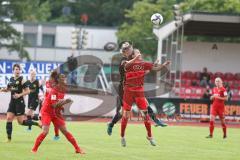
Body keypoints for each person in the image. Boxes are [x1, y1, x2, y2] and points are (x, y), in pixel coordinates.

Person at [107, 42, 167, 136]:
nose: (130, 50)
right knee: (122, 112)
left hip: (135, 88)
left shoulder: (134, 59)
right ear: (125, 52)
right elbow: (129, 67)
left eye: (130, 48)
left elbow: (142, 70)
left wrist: (152, 66)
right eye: (128, 49)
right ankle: (111, 124)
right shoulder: (124, 60)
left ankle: (156, 121)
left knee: (145, 105)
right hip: (124, 88)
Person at [120, 49, 170, 147]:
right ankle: (122, 136)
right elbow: (125, 66)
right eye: (137, 52)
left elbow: (155, 69)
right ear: (133, 55)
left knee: (145, 114)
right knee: (126, 115)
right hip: (128, 92)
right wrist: (135, 58)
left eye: (139, 52)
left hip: (139, 92)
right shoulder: (126, 62)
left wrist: (164, 65)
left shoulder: (143, 64)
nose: (139, 53)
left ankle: (150, 136)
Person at [32, 73, 85, 154]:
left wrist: (62, 106)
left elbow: (58, 103)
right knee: (45, 131)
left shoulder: (62, 90)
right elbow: (54, 105)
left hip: (55, 113)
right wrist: (65, 101)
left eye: (65, 78)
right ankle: (34, 150)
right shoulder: (54, 90)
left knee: (65, 131)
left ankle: (77, 149)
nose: (65, 80)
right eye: (63, 79)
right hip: (46, 112)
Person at [0, 64, 41, 142]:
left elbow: (28, 91)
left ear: (20, 71)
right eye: (16, 69)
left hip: (20, 103)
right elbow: (8, 89)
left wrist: (19, 95)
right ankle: (9, 139)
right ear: (13, 71)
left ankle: (36, 123)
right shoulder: (11, 79)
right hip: (12, 102)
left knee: (21, 122)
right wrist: (2, 90)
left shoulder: (22, 80)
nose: (17, 71)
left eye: (19, 69)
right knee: (8, 118)